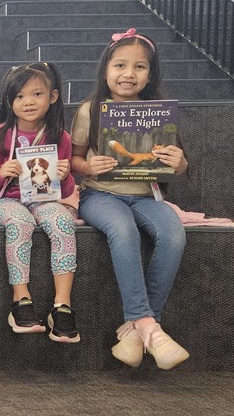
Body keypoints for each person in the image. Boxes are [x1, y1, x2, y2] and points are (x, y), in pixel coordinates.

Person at [70, 28, 189, 370]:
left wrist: (180, 163)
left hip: (147, 196)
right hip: (100, 194)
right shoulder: (90, 110)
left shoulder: (158, 113)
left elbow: (177, 167)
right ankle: (150, 326)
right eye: (120, 65)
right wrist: (88, 165)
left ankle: (138, 329)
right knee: (124, 231)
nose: (129, 74)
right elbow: (74, 160)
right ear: (105, 70)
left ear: (150, 74)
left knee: (173, 234)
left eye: (139, 67)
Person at [0, 62, 79, 342]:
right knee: (21, 222)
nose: (28, 102)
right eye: (19, 96)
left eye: (37, 94)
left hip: (44, 199)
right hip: (4, 200)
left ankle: (62, 305)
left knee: (63, 221)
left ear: (53, 97)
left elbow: (66, 189)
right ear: (10, 101)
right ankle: (21, 300)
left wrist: (65, 175)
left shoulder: (60, 137)